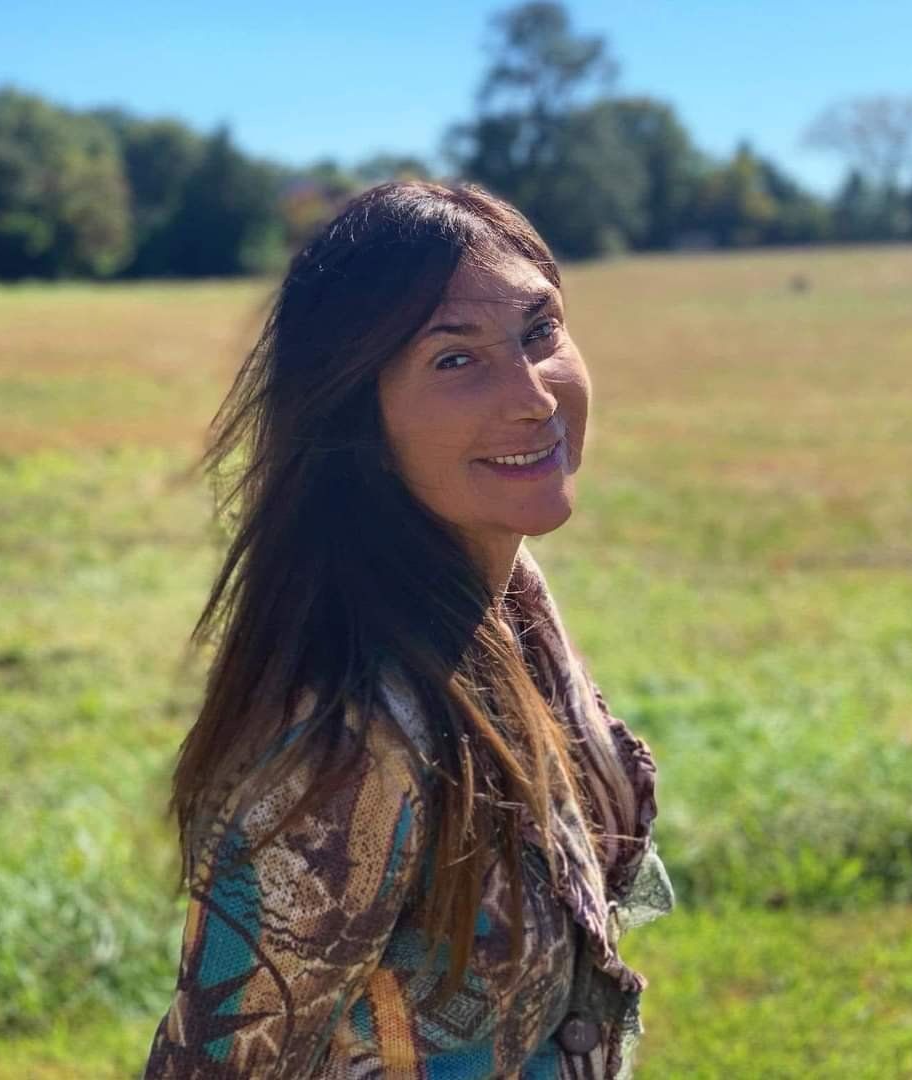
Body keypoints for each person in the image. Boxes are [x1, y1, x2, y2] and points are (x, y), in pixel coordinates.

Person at [142, 180, 673, 1079]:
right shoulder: (346, 743)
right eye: (455, 362)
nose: (534, 398)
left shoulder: (500, 605)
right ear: (357, 416)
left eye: (540, 332)